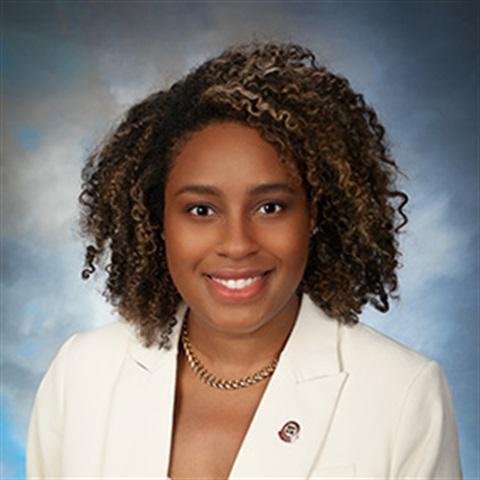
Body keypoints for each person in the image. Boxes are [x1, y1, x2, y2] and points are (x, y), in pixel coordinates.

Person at [26, 41, 462, 479]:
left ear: (313, 214)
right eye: (201, 209)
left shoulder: (402, 394)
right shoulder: (81, 374)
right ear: (159, 220)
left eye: (270, 207)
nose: (237, 244)